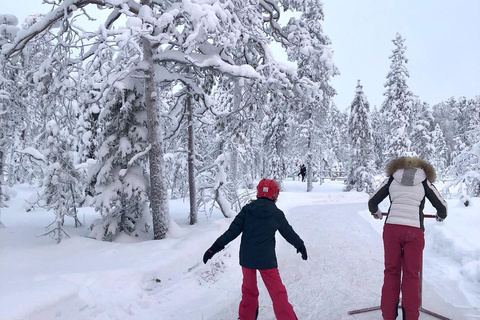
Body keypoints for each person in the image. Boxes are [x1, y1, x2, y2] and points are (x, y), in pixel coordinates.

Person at [203, 178, 307, 320]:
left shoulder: (247, 211)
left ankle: (246, 317)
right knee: (278, 294)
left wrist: (213, 249)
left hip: (247, 259)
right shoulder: (277, 214)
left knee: (248, 291)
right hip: (267, 261)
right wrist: (300, 246)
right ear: (275, 195)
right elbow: (289, 233)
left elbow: (231, 232)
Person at [368, 156, 447, 320]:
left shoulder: (392, 178)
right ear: (421, 168)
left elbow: (372, 201)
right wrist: (440, 216)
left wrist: (376, 212)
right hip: (414, 231)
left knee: (391, 272)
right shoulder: (424, 181)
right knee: (411, 275)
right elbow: (442, 206)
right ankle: (411, 316)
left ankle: (388, 316)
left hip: (392, 229)